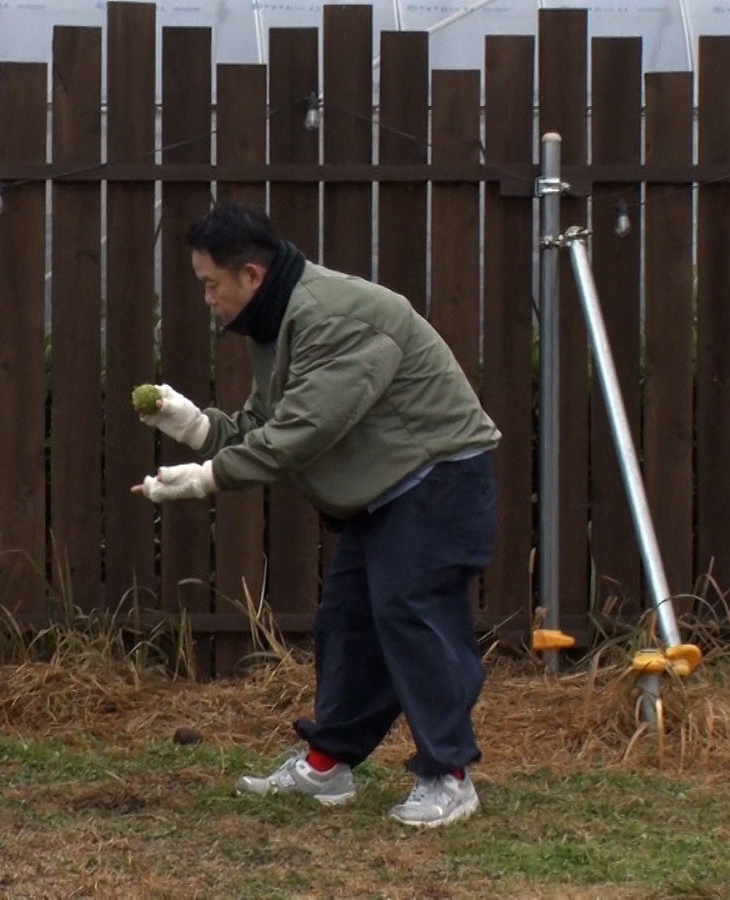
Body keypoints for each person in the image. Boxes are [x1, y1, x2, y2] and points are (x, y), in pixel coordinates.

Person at [132, 201, 500, 829]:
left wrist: (208, 479)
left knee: (412, 615)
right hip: (386, 489)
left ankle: (450, 776)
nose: (207, 299)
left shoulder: (335, 317)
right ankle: (329, 764)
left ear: (250, 275)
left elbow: (303, 432)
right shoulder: (279, 322)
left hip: (438, 476)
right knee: (349, 623)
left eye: (210, 284)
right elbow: (263, 425)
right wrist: (193, 427)